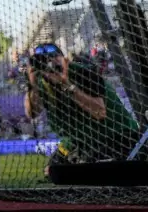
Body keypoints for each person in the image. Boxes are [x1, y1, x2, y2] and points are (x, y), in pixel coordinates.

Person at [25, 43, 141, 172]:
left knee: (88, 172)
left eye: (53, 57)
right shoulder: (42, 82)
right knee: (51, 171)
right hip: (79, 141)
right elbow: (32, 113)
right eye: (43, 60)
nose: (49, 63)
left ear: (66, 60)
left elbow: (100, 112)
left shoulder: (84, 72)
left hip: (115, 136)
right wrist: (32, 85)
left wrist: (66, 84)